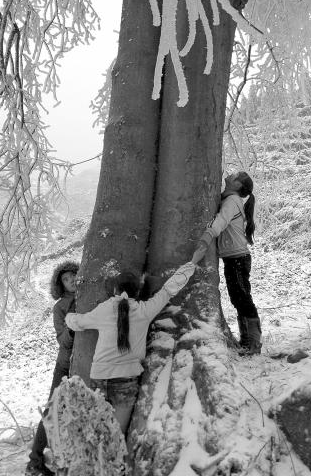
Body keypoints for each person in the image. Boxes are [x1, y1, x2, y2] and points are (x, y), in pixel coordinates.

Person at [65, 262, 196, 435]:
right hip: (127, 379)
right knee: (116, 433)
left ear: (114, 291)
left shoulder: (104, 309)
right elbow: (168, 290)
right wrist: (191, 265)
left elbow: (78, 323)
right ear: (137, 293)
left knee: (96, 430)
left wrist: (68, 316)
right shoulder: (145, 310)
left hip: (99, 377)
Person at [191, 171, 261, 355]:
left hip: (238, 258)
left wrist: (207, 236)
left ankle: (253, 343)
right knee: (238, 297)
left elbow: (221, 220)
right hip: (235, 258)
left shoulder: (232, 201)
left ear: (238, 186)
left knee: (242, 297)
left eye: (236, 176)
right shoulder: (231, 199)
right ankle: (247, 340)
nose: (231, 175)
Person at [25, 261, 79, 476]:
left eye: (73, 276)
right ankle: (35, 461)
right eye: (66, 279)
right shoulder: (60, 307)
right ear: (61, 285)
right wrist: (71, 327)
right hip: (65, 365)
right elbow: (62, 341)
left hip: (92, 362)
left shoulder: (90, 295)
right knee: (53, 410)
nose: (71, 281)